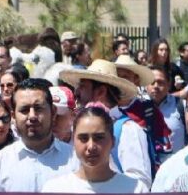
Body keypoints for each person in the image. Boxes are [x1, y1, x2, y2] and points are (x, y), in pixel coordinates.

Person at [60, 60, 153, 188]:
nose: (76, 92)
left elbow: (140, 182)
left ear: (101, 92)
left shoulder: (128, 130)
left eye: (83, 86)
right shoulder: (77, 127)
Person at [42, 108, 147, 195]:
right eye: (83, 138)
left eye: (99, 138)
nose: (91, 146)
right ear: (73, 142)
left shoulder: (136, 190)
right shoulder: (55, 190)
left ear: (113, 141)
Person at [147, 66, 186, 153]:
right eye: (152, 82)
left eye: (160, 82)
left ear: (169, 84)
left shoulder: (181, 106)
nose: (156, 86)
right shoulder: (139, 108)